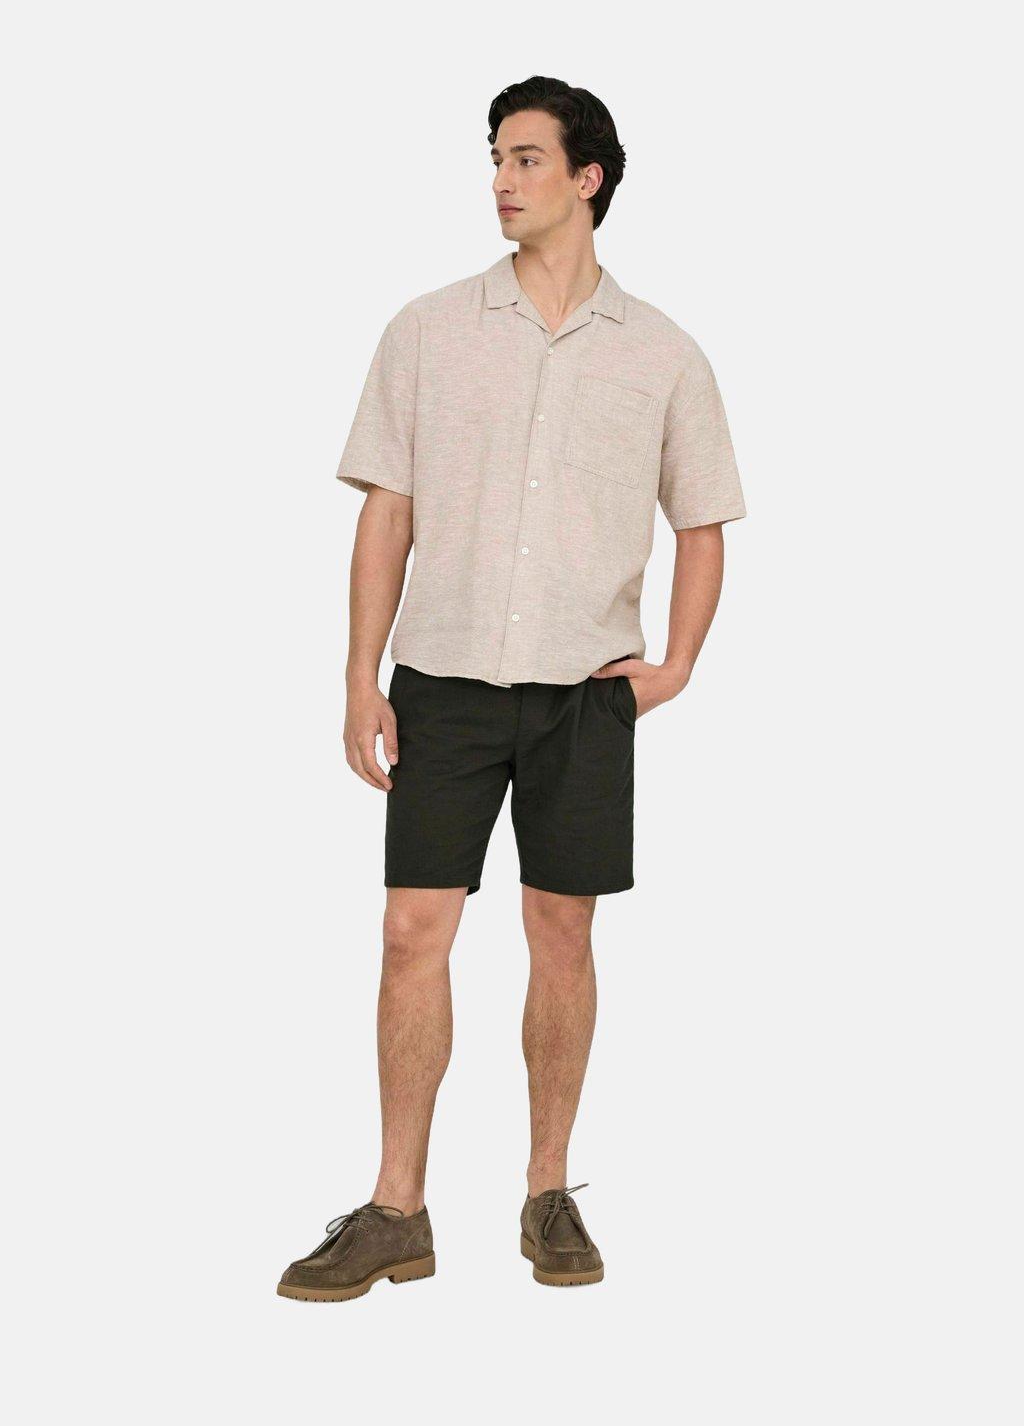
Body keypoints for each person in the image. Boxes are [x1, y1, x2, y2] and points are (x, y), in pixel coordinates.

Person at [277, 74, 745, 1302]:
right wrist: (359, 677)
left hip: (585, 694)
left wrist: (673, 667)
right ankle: (396, 1208)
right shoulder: (427, 329)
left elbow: (702, 521)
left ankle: (547, 1191)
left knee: (562, 931)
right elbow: (387, 512)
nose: (500, 178)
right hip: (442, 685)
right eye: (494, 156)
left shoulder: (662, 352)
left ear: (588, 178)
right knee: (409, 932)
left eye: (526, 157)